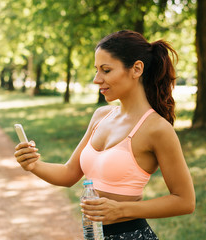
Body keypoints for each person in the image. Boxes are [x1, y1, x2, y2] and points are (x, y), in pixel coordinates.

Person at [14, 30, 195, 239]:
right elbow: (68, 174)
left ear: (136, 69)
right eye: (96, 70)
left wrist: (121, 210)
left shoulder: (157, 129)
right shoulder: (101, 116)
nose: (96, 79)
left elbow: (185, 201)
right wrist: (34, 165)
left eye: (106, 70)